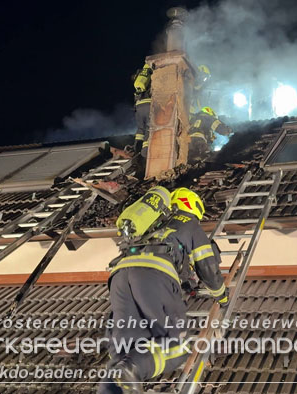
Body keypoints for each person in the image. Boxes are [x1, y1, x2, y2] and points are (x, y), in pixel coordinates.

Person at [98, 188, 229, 394]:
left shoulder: (154, 221)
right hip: (154, 275)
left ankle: (114, 389)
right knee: (175, 346)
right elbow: (207, 266)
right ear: (194, 207)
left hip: (120, 276)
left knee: (126, 348)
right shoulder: (189, 222)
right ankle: (132, 370)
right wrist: (221, 296)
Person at [132, 62, 154, 177]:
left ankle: (137, 148)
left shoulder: (141, 75)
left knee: (140, 130)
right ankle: (145, 154)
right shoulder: (153, 73)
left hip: (139, 106)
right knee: (149, 129)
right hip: (149, 104)